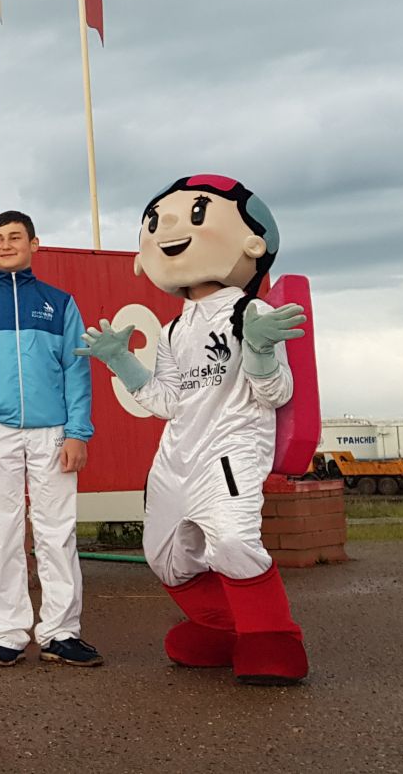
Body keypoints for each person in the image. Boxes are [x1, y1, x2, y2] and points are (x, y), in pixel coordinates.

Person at [78, 175, 309, 685]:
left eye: (196, 215)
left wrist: (262, 349)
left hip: (230, 449)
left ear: (253, 243)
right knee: (164, 555)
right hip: (177, 452)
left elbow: (275, 394)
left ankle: (272, 638)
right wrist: (123, 362)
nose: (170, 230)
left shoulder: (254, 312)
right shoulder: (175, 327)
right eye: (156, 222)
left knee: (231, 540)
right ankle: (228, 629)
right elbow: (167, 401)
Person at [0, 211, 101, 669]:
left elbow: (77, 371)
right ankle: (8, 634)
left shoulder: (59, 303)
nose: (6, 244)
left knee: (58, 533)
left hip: (52, 432)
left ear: (35, 243)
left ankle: (60, 633)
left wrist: (77, 432)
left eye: (15, 237)